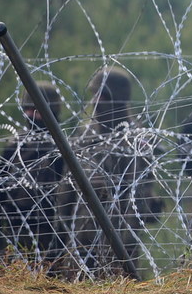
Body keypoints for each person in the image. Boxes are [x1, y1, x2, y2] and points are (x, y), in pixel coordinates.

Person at [59, 68, 164, 277]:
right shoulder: (86, 133)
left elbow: (139, 195)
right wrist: (61, 227)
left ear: (118, 98)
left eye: (103, 96)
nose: (97, 101)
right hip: (82, 226)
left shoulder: (135, 138)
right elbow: (67, 184)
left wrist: (125, 243)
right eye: (95, 95)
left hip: (119, 229)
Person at [0, 83, 67, 264]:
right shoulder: (15, 145)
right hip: (16, 224)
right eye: (28, 109)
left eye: (37, 110)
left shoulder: (62, 149)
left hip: (49, 228)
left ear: (51, 111)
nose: (32, 115)